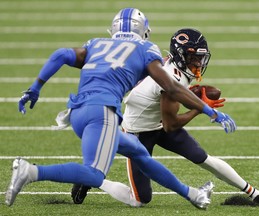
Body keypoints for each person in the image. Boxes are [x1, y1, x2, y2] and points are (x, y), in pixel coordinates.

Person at [6, 8, 236, 209]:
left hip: (77, 112)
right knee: (94, 173)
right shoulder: (146, 48)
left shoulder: (96, 43)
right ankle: (31, 172)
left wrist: (35, 88)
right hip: (101, 113)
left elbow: (61, 54)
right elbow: (171, 88)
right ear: (144, 30)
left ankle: (194, 195)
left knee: (139, 153)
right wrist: (210, 111)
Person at [71, 28, 259, 207]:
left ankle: (254, 193)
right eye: (193, 57)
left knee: (203, 158)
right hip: (139, 133)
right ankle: (93, 180)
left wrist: (199, 103)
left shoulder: (175, 67)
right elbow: (171, 124)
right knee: (140, 200)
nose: (198, 62)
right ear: (180, 55)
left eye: (200, 57)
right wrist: (200, 109)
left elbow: (176, 102)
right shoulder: (170, 78)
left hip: (158, 121)